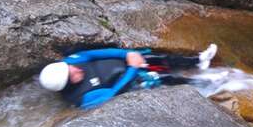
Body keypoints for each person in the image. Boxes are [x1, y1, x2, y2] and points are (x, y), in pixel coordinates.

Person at [39, 44, 218, 109]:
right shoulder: (82, 98)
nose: (77, 70)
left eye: (72, 68)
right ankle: (202, 83)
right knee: (159, 76)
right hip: (128, 81)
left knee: (156, 58)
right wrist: (133, 69)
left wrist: (127, 55)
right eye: (74, 75)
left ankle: (198, 61)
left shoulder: (71, 61)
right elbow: (114, 94)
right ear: (67, 84)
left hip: (125, 63)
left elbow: (96, 54)